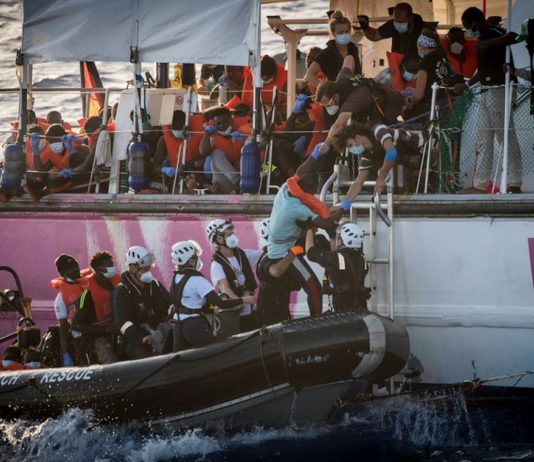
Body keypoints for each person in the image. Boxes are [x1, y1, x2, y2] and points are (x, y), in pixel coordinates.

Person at [266, 151, 343, 317]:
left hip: (288, 240)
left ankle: (334, 272)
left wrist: (316, 154)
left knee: (321, 240)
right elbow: (327, 222)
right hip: (283, 252)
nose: (313, 196)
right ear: (307, 191)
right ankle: (315, 319)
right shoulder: (295, 208)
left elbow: (301, 170)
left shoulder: (285, 188)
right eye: (312, 193)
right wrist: (345, 206)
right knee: (313, 287)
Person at [456, 7, 522, 193]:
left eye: (468, 26)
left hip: (500, 89)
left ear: (477, 21)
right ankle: (480, 184)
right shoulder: (487, 37)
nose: (469, 30)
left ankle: (515, 182)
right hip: (486, 89)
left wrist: (491, 43)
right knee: (483, 138)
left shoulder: (494, 33)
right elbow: (481, 67)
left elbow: (511, 37)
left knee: (505, 137)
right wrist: (468, 84)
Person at [170, 240, 255, 351]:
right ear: (190, 260)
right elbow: (221, 303)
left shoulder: (175, 278)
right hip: (194, 326)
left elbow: (191, 304)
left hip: (178, 326)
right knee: (215, 354)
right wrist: (244, 300)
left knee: (181, 363)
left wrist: (210, 309)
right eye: (195, 257)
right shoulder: (197, 279)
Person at [315, 55, 404, 161]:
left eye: (328, 104)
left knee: (373, 133)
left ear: (335, 96)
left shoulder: (351, 102)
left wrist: (326, 144)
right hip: (379, 94)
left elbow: (338, 124)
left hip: (391, 104)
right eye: (324, 106)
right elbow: (349, 58)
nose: (327, 108)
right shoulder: (342, 79)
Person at [332, 121, 426, 201]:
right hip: (408, 160)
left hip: (425, 149)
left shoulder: (378, 130)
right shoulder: (367, 156)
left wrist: (381, 178)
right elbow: (358, 183)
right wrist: (344, 206)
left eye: (349, 145)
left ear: (357, 138)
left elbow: (391, 152)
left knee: (383, 170)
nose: (351, 149)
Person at [113, 246, 171, 360]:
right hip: (137, 341)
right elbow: (123, 323)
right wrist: (142, 338)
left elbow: (170, 304)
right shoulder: (122, 290)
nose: (148, 271)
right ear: (132, 267)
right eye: (144, 269)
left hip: (161, 333)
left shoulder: (155, 284)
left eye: (149, 268)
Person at [207, 219, 263, 333]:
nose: (233, 237)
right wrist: (241, 301)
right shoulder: (216, 265)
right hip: (235, 315)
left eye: (233, 233)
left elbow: (266, 255)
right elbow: (225, 288)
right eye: (229, 235)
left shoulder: (245, 254)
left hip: (252, 310)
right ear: (218, 239)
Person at [70, 251, 121, 364]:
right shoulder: (87, 293)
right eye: (109, 265)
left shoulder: (117, 285)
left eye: (112, 264)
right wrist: (106, 330)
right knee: (106, 350)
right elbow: (75, 325)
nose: (113, 268)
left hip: (118, 330)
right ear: (98, 269)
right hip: (96, 337)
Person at [305, 224, 368, 312]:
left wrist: (309, 229)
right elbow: (338, 256)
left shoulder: (334, 258)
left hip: (342, 311)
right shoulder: (363, 260)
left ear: (342, 240)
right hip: (361, 309)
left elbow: (310, 253)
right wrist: (331, 235)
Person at [25, 124, 90, 202]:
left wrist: (70, 172)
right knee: (44, 178)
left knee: (57, 179)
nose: (51, 144)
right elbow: (40, 174)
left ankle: (41, 194)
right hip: (66, 180)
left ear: (62, 138)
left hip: (81, 181)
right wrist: (35, 151)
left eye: (53, 141)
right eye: (49, 141)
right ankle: (30, 191)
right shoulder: (55, 153)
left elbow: (84, 168)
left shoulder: (79, 149)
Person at [404, 28, 462, 117]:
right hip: (455, 105)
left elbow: (419, 95)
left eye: (419, 47)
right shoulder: (444, 58)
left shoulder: (425, 63)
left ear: (423, 47)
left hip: (437, 109)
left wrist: (409, 101)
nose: (419, 50)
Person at [49, 254, 92, 366]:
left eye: (76, 265)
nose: (75, 269)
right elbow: (63, 327)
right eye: (70, 268)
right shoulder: (61, 299)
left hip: (98, 331)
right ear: (62, 274)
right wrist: (66, 353)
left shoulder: (91, 283)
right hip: (80, 338)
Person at [304, 10, 362, 87]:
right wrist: (325, 89)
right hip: (335, 93)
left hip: (352, 90)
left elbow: (358, 74)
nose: (344, 34)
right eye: (340, 32)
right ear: (333, 34)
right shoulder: (326, 53)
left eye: (347, 31)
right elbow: (309, 75)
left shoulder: (353, 49)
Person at [200, 106, 247, 193]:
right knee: (216, 153)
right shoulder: (212, 139)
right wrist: (207, 133)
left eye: (225, 121)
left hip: (245, 179)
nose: (223, 125)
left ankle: (241, 185)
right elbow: (203, 152)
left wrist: (246, 142)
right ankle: (238, 182)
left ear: (231, 121)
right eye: (219, 123)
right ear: (214, 125)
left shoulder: (241, 136)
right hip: (225, 184)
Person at [256, 245, 304, 326]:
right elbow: (276, 271)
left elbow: (296, 285)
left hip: (282, 307)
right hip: (268, 311)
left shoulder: (284, 256)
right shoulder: (268, 256)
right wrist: (293, 253)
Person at [358, 2, 425, 55]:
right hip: (398, 67)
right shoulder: (392, 25)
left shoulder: (424, 30)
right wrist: (365, 27)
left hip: (420, 68)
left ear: (411, 18)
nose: (398, 24)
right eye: (396, 21)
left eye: (401, 22)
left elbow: (432, 53)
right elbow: (374, 36)